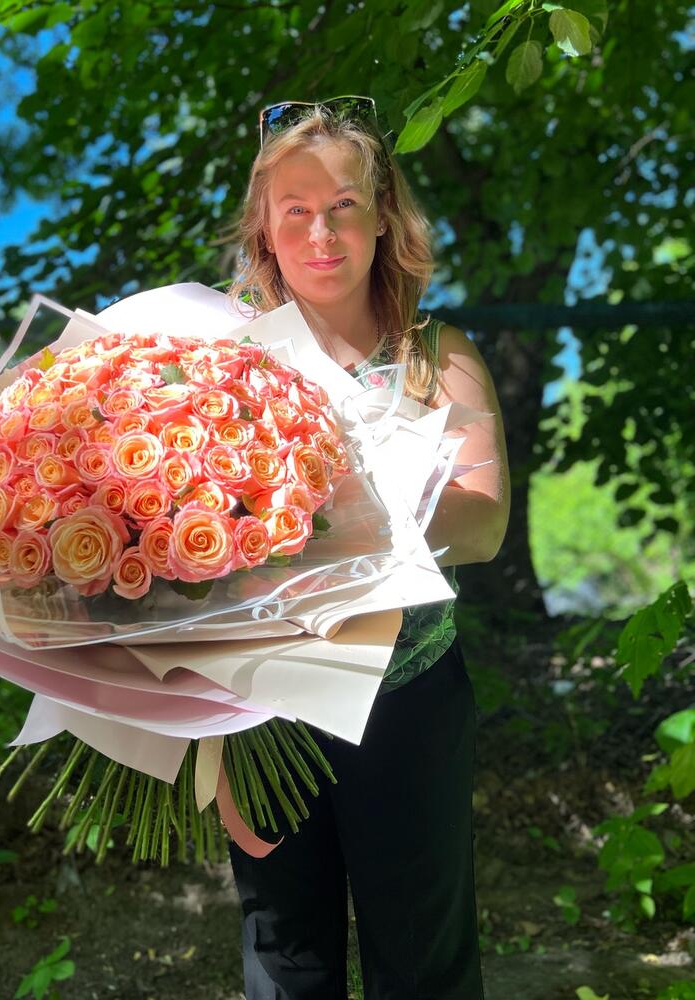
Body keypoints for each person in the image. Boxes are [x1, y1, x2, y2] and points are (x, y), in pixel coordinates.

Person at [224, 97, 511, 1000]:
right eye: (297, 210)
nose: (322, 232)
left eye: (344, 205)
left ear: (384, 217)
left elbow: (483, 523)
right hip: (262, 704)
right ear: (265, 228)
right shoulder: (221, 365)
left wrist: (316, 514)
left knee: (423, 959)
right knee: (283, 956)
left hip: (407, 697)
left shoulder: (437, 356)